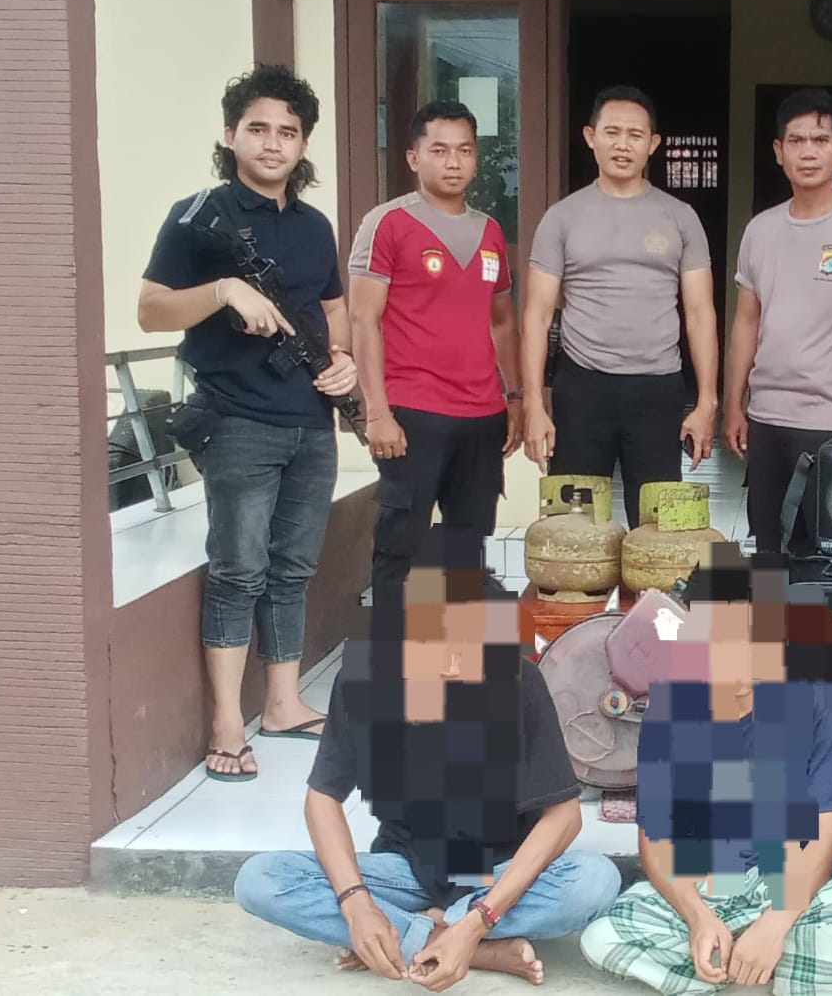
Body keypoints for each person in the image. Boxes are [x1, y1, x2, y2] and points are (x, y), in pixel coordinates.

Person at [234, 524, 622, 990]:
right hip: (406, 870)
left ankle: (427, 935)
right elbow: (322, 799)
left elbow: (564, 818)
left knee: (594, 880)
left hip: (497, 874)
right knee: (261, 879)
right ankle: (463, 947)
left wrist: (479, 917)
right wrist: (357, 906)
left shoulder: (518, 682)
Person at [136, 65, 358, 781]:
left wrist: (345, 361)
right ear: (230, 134)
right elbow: (151, 310)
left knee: (292, 568)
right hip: (236, 418)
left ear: (304, 144)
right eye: (257, 128)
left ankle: (284, 702)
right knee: (239, 570)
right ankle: (228, 722)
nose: (272, 143)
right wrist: (225, 288)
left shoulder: (314, 226)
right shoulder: (197, 216)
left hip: (310, 421)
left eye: (287, 132)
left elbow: (331, 312)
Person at [580, 544, 832, 996]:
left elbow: (828, 830)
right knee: (602, 938)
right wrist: (697, 918)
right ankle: (770, 962)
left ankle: (760, 954)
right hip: (703, 884)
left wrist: (777, 921)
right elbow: (655, 843)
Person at [520, 85, 720, 528]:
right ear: (590, 136)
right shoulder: (561, 217)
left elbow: (700, 313)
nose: (623, 144)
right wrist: (533, 404)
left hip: (658, 390)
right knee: (571, 530)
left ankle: (655, 581)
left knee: (660, 534)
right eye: (612, 132)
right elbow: (536, 315)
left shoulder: (680, 216)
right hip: (581, 389)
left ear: (653, 144)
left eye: (635, 135)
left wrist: (707, 402)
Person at [347, 99, 524, 589]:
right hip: (413, 413)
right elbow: (363, 319)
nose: (453, 162)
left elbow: (502, 322)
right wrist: (377, 412)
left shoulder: (490, 231)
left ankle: (454, 641)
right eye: (440, 150)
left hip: (482, 416)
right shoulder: (387, 223)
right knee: (400, 545)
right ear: (413, 157)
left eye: (464, 150)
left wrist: (515, 398)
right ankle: (393, 642)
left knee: (467, 550)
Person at [723, 89, 832, 554]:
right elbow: (746, 323)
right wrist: (733, 404)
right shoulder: (760, 230)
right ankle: (769, 608)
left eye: (820, 140)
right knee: (769, 548)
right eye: (796, 140)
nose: (808, 151)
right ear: (778, 151)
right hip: (766, 419)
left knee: (830, 555)